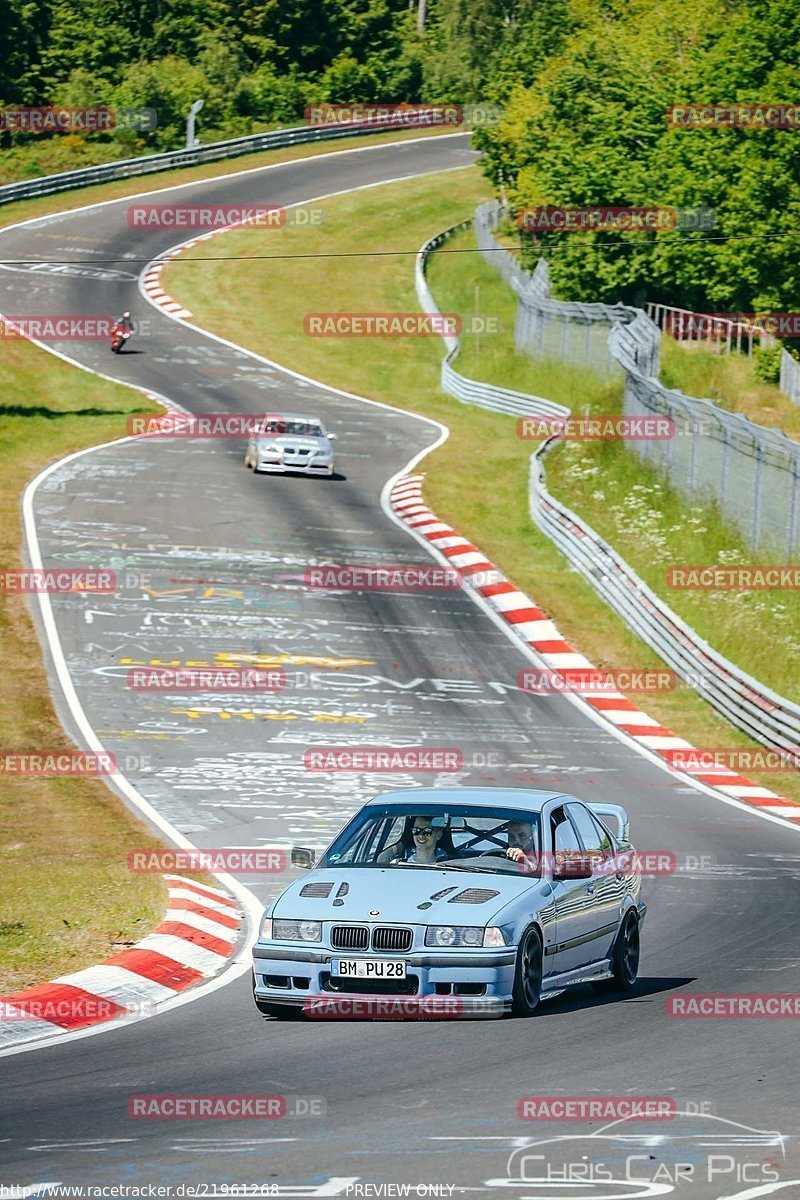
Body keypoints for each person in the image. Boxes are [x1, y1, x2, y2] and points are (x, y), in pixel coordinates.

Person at [378, 816, 450, 865]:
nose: (421, 836)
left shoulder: (450, 866)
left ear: (439, 835)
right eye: (416, 831)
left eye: (427, 831)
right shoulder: (395, 865)